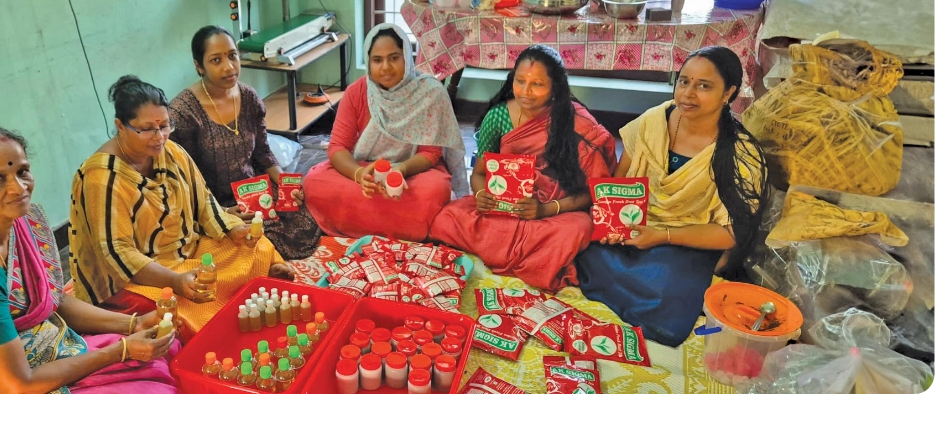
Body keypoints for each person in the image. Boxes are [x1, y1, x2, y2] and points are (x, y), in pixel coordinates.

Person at [0, 127, 179, 395]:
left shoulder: (19, 224)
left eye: (22, 171)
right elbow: (16, 385)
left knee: (163, 349)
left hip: (42, 349)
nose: (19, 188)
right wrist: (122, 350)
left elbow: (51, 300)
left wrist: (132, 324)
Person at [68, 75, 294, 342]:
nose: (159, 136)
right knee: (176, 308)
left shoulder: (172, 152)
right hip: (135, 277)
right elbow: (117, 254)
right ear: (120, 126)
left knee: (253, 246)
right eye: (148, 129)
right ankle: (237, 296)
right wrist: (174, 281)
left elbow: (203, 201)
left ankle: (253, 278)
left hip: (185, 252)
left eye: (164, 125)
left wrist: (233, 229)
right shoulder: (100, 177)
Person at [575, 46, 769, 347]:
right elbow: (621, 181)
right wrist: (612, 225)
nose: (688, 94)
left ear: (728, 92)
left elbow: (731, 233)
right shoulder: (654, 120)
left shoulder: (741, 155)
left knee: (665, 284)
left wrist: (661, 236)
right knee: (578, 240)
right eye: (684, 81)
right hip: (638, 225)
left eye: (704, 86)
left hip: (686, 239)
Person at [428, 45, 617, 292]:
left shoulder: (578, 124)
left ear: (555, 89)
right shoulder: (497, 117)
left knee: (579, 227)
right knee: (447, 219)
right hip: (504, 211)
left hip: (553, 215)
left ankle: (501, 254)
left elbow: (594, 192)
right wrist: (482, 195)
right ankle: (535, 259)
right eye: (520, 81)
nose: (525, 92)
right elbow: (480, 174)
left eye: (537, 84)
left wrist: (545, 209)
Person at [303, 23, 468, 242]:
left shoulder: (430, 92)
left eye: (394, 58)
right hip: (365, 170)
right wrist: (358, 175)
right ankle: (402, 227)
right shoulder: (357, 91)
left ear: (407, 58)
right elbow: (338, 146)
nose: (386, 67)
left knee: (434, 191)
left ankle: (361, 222)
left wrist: (400, 170)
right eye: (377, 60)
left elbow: (430, 153)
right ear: (369, 62)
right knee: (314, 182)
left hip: (412, 171)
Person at [169, 25, 322, 260]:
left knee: (303, 220)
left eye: (232, 56)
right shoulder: (183, 113)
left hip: (253, 189)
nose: (229, 67)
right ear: (199, 66)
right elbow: (184, 183)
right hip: (213, 204)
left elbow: (263, 152)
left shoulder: (249, 97)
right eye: (216, 60)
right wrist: (220, 214)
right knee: (243, 244)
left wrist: (283, 182)